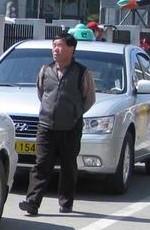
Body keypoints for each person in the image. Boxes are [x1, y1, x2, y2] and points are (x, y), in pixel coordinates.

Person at [18, 32, 96, 216]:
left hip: (71, 127)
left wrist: (74, 114)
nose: (56, 50)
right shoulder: (46, 70)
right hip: (46, 126)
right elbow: (41, 93)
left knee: (68, 165)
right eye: (54, 46)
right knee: (42, 164)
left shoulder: (82, 72)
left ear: (71, 49)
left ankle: (66, 203)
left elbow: (89, 99)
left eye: (60, 46)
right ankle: (32, 202)